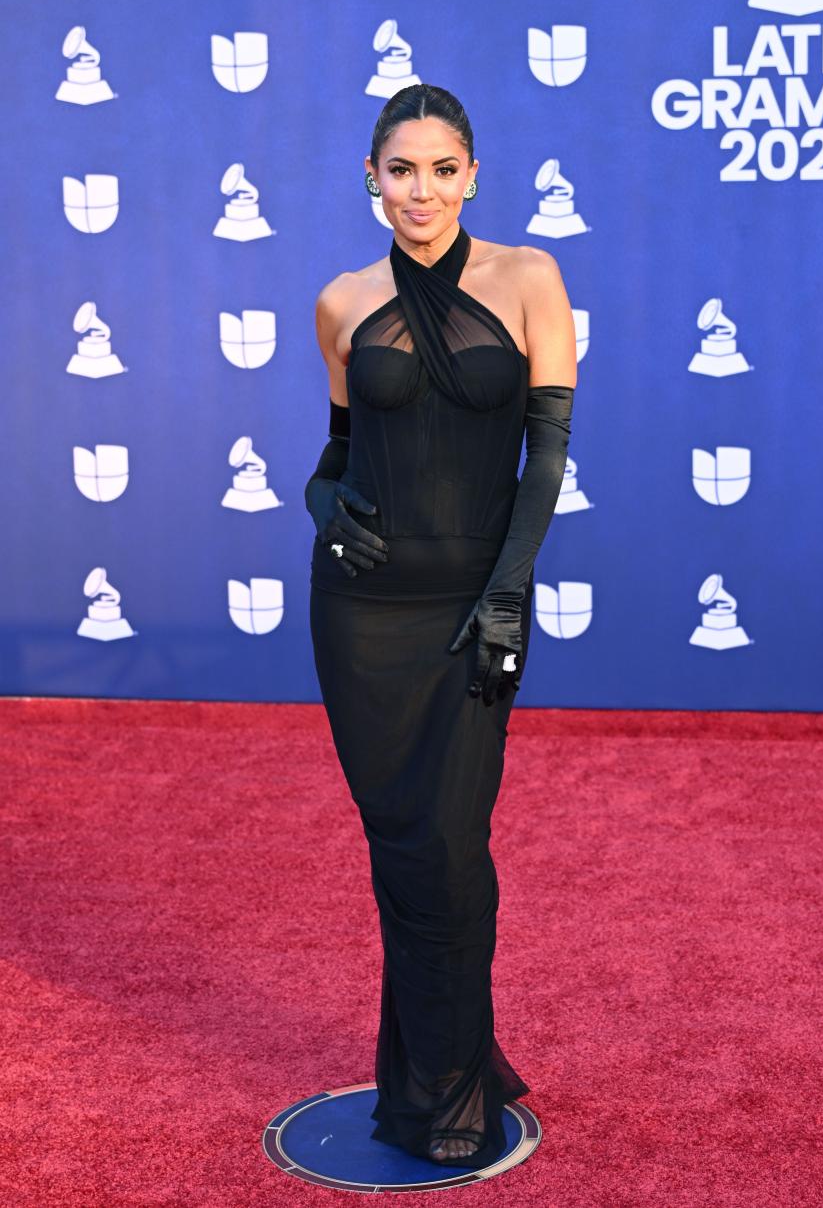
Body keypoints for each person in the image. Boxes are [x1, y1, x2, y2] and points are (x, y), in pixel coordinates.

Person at [306, 84, 575, 1169]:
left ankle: (451, 1084)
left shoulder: (528, 277)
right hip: (361, 611)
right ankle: (431, 1073)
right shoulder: (340, 301)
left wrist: (507, 592)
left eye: (442, 169)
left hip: (474, 603)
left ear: (473, 176)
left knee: (452, 848)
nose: (421, 191)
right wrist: (326, 509)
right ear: (371, 179)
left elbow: (546, 458)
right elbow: (334, 457)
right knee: (402, 849)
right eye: (401, 170)